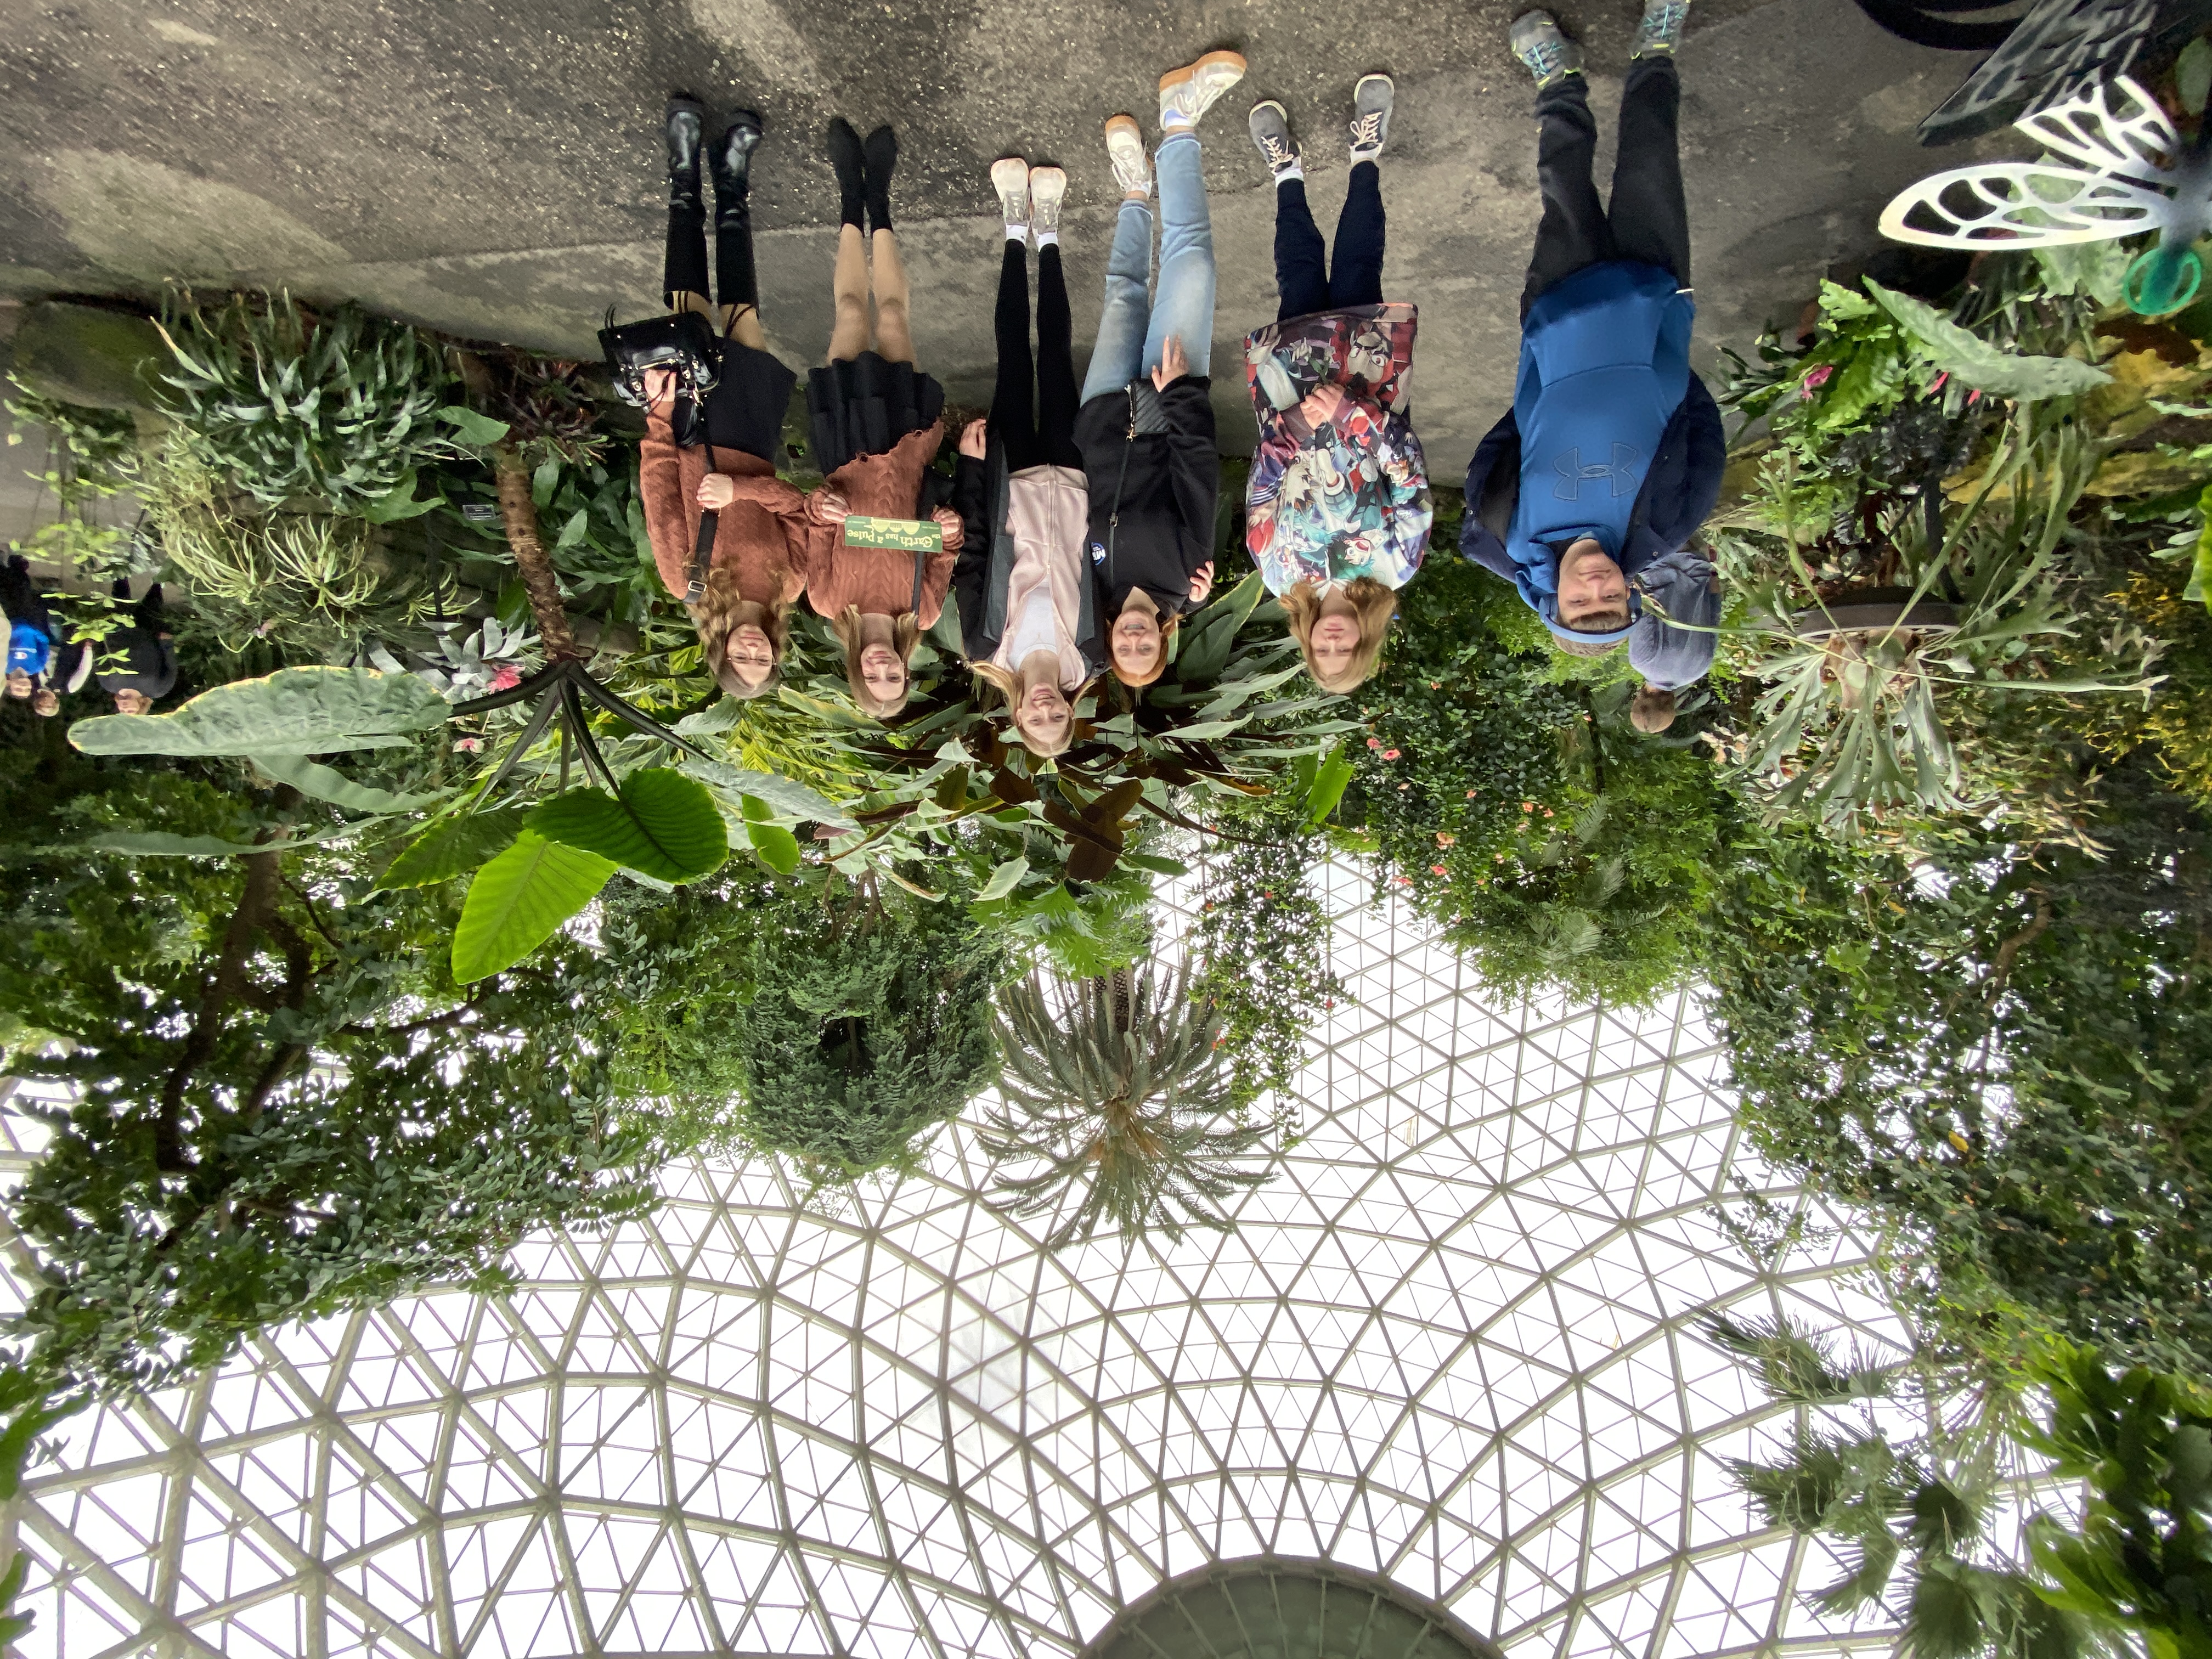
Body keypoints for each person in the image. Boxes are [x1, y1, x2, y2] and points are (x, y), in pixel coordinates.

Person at [1459, 1, 1726, 664]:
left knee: (1564, 191)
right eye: (1615, 603)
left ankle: (1559, 84)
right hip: (1655, 312)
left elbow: (1501, 446)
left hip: (1557, 328)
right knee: (1651, 170)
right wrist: (1662, 370)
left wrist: (1542, 389)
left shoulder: (1502, 532)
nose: (1598, 588)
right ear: (1634, 598)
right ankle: (1655, 54)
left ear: (1555, 603)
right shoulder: (1668, 524)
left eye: (1583, 606)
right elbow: (1705, 437)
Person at [1242, 77, 1431, 693]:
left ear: (1311, 643)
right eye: (1343, 650)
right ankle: (1364, 156)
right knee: (1358, 267)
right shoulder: (1395, 566)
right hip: (1365, 385)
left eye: (1322, 652)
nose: (1332, 642)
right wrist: (1350, 414)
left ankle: (1286, 172)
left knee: (1296, 279)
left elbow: (1260, 493)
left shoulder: (1279, 574)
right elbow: (1411, 482)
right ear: (1361, 642)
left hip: (1291, 400)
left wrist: (1302, 423)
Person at [1075, 52, 1245, 689]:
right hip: (1163, 401)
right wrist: (1178, 399)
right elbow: (1197, 468)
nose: (1136, 641)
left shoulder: (1095, 580)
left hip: (1101, 413)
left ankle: (1134, 189)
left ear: (1114, 640)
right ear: (1164, 643)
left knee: (1123, 293)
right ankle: (1179, 127)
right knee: (1192, 267)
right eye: (1148, 650)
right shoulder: (1185, 574)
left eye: (1127, 651)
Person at [641, 94, 811, 699]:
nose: (752, 651)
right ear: (773, 651)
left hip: (697, 432)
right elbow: (798, 507)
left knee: (688, 310)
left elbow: (660, 493)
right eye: (763, 661)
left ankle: (685, 171)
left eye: (741, 660)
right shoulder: (790, 585)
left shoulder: (684, 580)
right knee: (744, 318)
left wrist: (659, 417)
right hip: (755, 439)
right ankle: (733, 181)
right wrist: (745, 491)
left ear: (720, 652)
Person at [801, 116, 963, 719]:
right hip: (904, 452)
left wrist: (826, 509)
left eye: (874, 679)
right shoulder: (921, 612)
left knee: (849, 314)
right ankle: (882, 201)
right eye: (895, 677)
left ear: (858, 674)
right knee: (892, 320)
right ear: (904, 667)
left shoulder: (824, 600)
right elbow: (948, 545)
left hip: (846, 450)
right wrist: (947, 527)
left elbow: (811, 522)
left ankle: (850, 195)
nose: (882, 668)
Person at [952, 158, 1102, 758]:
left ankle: (1015, 230)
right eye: (1057, 719)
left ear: (1016, 715)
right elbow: (1103, 566)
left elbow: (973, 554)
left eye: (1035, 722)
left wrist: (969, 468)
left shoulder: (987, 647)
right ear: (1068, 710)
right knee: (1058, 359)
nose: (1046, 711)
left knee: (1014, 358)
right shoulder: (1093, 652)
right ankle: (1051, 235)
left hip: (1010, 480)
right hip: (1070, 478)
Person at [1626, 541, 1719, 731]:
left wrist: (1712, 568)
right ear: (1638, 699)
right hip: (1657, 558)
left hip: (1699, 563)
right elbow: (1641, 605)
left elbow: (1715, 609)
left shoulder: (1700, 669)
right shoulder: (1641, 661)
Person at [2, 555, 90, 716]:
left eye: (19, 688)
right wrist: (36, 632)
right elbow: (45, 648)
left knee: (6, 596)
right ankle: (18, 565)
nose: (24, 686)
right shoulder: (39, 670)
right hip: (38, 630)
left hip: (11, 624)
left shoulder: (5, 666)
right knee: (24, 595)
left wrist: (12, 630)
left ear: (9, 684)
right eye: (26, 689)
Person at [95, 579, 177, 714]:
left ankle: (121, 565)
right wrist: (167, 644)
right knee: (153, 601)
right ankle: (159, 578)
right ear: (141, 707)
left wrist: (98, 637)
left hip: (118, 633)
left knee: (120, 597)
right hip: (149, 635)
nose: (125, 707)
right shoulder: (158, 690)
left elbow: (100, 659)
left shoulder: (109, 685)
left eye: (123, 710)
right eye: (131, 710)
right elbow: (171, 668)